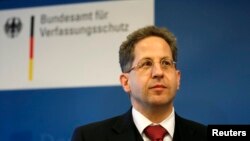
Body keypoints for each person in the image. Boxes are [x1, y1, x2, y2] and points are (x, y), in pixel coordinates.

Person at [71, 25, 207, 141]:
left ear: (178, 78)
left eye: (166, 63)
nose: (158, 72)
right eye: (146, 64)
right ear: (126, 82)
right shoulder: (89, 137)